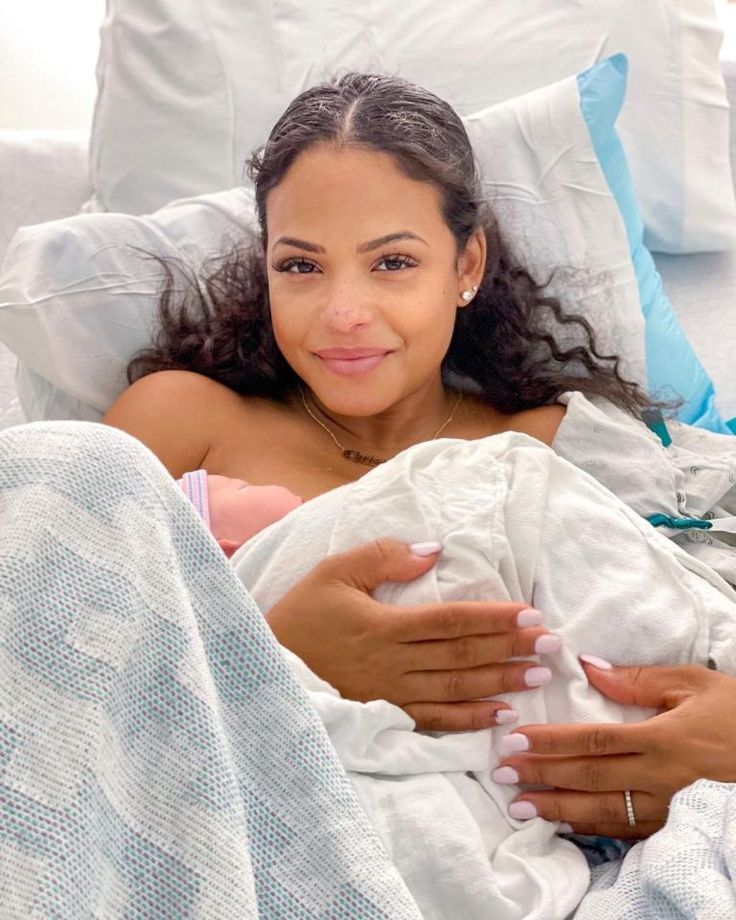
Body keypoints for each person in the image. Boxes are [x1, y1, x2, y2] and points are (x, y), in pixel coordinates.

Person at [98, 69, 736, 848]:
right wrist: (270, 650)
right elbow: (51, 658)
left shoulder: (554, 448)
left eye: (393, 262)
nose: (344, 314)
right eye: (300, 265)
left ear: (466, 267)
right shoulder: (184, 421)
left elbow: (685, 610)